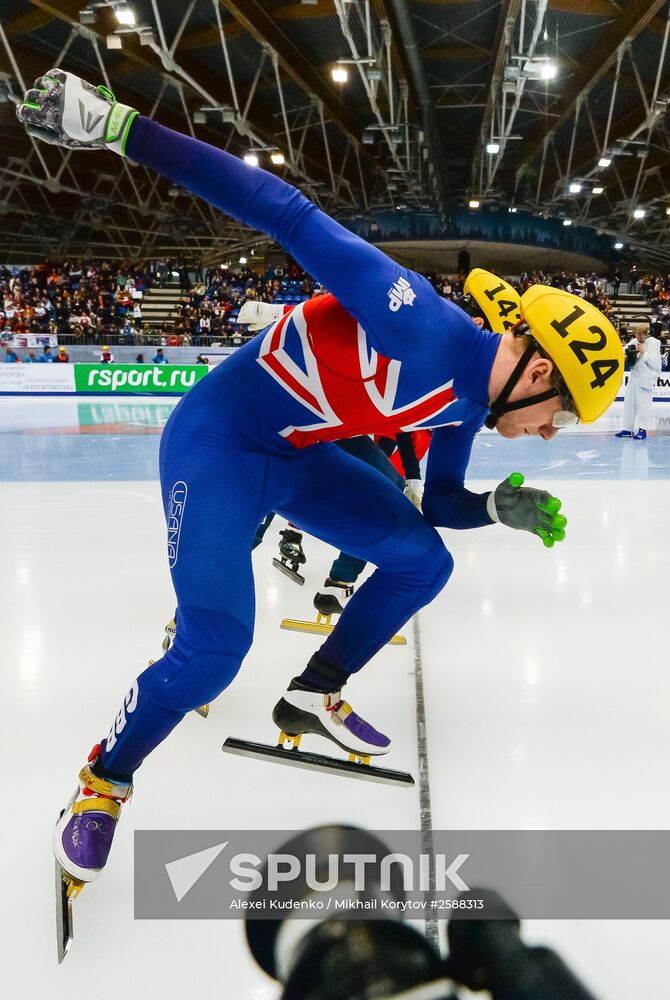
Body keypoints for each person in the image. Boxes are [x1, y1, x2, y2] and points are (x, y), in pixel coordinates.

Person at [17, 70, 623, 890]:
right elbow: (283, 210)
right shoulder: (422, 326)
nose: (549, 433)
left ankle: (317, 690)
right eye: (560, 414)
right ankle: (102, 784)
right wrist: (122, 128)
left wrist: (492, 507)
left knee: (425, 560)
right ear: (540, 368)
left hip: (299, 456)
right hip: (222, 442)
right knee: (216, 647)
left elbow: (439, 505)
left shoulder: (468, 405)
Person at [615, 322, 661, 440]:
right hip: (634, 377)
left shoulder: (654, 343)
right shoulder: (635, 341)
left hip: (646, 379)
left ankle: (642, 430)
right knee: (629, 403)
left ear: (646, 334)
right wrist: (624, 355)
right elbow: (624, 350)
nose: (639, 338)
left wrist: (643, 352)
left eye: (641, 336)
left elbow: (656, 364)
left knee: (643, 406)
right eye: (637, 335)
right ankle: (627, 429)